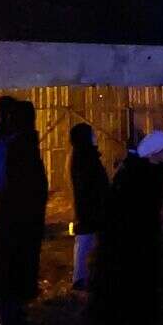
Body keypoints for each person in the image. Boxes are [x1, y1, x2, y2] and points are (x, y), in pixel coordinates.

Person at [92, 130, 163, 325]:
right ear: (155, 152)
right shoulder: (138, 176)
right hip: (134, 237)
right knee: (136, 277)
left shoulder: (153, 172)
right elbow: (132, 208)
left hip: (145, 235)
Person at [0, 99, 48, 325]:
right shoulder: (20, 144)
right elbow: (27, 182)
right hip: (21, 214)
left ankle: (9, 315)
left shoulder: (1, 142)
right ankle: (14, 318)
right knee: (18, 262)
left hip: (7, 211)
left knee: (7, 261)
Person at [69, 122, 108, 290]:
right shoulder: (84, 157)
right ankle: (80, 277)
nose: (95, 137)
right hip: (89, 206)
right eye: (92, 134)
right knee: (85, 240)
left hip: (90, 205)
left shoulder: (84, 155)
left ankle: (87, 275)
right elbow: (90, 183)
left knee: (88, 240)